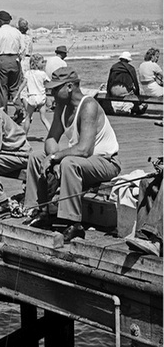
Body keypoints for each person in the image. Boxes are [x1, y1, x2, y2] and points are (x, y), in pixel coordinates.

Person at [22, 67, 121, 242]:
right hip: (83, 161)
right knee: (36, 157)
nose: (50, 91)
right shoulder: (61, 106)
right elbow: (51, 138)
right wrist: (53, 159)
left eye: (55, 88)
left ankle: (72, 223)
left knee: (68, 163)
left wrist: (55, 158)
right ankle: (40, 210)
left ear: (69, 87)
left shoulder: (88, 105)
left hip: (106, 162)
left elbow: (84, 149)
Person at [0, 10, 23, 110]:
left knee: (2, 88)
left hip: (3, 59)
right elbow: (23, 48)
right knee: (14, 87)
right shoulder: (17, 32)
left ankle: (3, 109)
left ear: (0, 21)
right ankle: (19, 108)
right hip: (15, 59)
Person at [19, 53, 51, 136]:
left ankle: (24, 136)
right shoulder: (43, 74)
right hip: (41, 97)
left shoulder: (28, 73)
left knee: (28, 118)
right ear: (37, 63)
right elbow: (49, 84)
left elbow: (23, 85)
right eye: (42, 62)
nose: (44, 63)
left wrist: (16, 96)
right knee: (43, 118)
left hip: (32, 97)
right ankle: (51, 134)